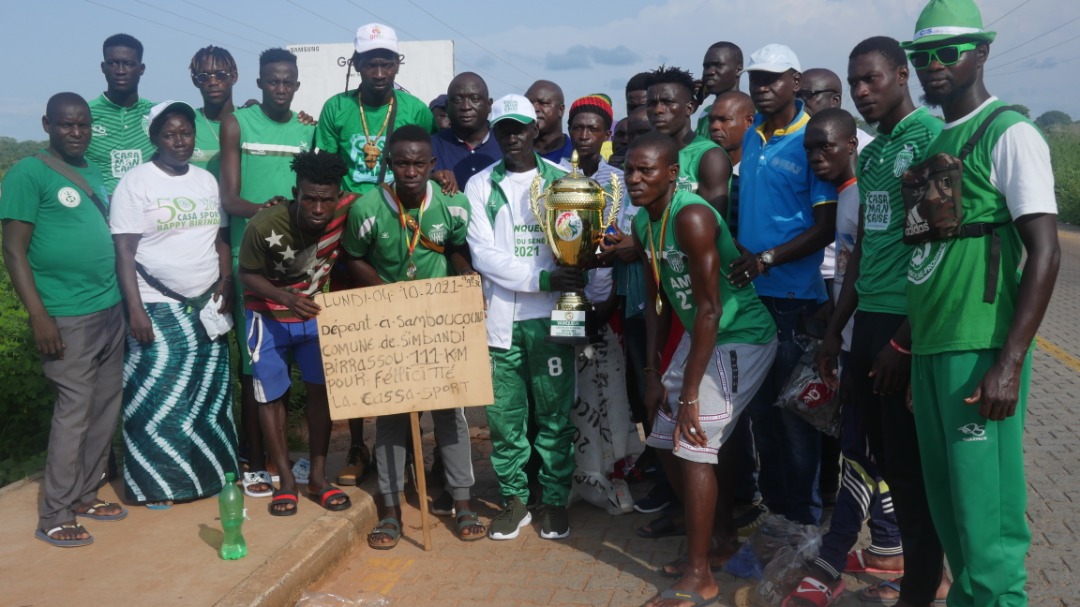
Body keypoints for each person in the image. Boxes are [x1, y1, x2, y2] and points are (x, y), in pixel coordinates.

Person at [903, 1, 1059, 604]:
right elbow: (927, 261)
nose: (933, 65)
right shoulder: (937, 139)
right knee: (953, 518)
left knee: (988, 524)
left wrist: (1011, 361)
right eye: (923, 55)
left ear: (982, 53)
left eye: (949, 52)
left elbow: (1045, 251)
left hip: (979, 348)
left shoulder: (1009, 132)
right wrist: (916, 350)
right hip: (933, 350)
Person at [798, 35, 952, 607]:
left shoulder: (928, 142)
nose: (862, 91)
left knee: (911, 467)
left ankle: (927, 585)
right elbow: (863, 243)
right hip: (868, 321)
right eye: (854, 81)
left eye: (873, 79)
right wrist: (839, 326)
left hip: (905, 325)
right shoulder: (876, 150)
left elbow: (938, 249)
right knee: (877, 456)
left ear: (901, 76)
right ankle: (913, 571)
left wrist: (904, 342)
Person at [629, 131, 777, 607]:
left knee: (693, 444)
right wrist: (655, 375)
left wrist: (690, 390)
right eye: (630, 169)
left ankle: (700, 578)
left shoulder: (691, 216)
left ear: (672, 174)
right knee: (663, 437)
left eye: (645, 170)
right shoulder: (641, 222)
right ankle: (719, 544)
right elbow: (660, 302)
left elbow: (711, 309)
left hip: (740, 335)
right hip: (701, 336)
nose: (634, 179)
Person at [780, 108, 900, 606]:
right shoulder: (850, 195)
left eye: (826, 147)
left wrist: (858, 337)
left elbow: (875, 270)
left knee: (858, 449)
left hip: (879, 339)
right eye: (809, 149)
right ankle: (890, 547)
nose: (816, 158)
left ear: (854, 143)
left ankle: (831, 560)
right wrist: (835, 334)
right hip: (853, 336)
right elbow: (852, 269)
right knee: (872, 448)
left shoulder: (872, 192)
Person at [341, 125, 482, 547]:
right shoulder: (367, 208)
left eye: (419, 162)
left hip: (437, 320)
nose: (410, 170)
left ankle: (462, 502)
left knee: (449, 416)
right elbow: (351, 257)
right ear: (388, 163)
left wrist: (465, 274)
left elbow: (457, 247)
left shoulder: (452, 205)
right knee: (392, 419)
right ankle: (389, 508)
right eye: (401, 162)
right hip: (389, 324)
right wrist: (386, 293)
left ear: (432, 164)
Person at [314, 24, 439, 484]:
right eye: (371, 62)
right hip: (352, 241)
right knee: (357, 351)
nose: (380, 70)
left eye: (387, 61)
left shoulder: (416, 110)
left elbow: (424, 165)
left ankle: (409, 450)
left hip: (403, 239)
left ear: (397, 64)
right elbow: (326, 172)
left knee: (410, 351)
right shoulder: (336, 108)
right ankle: (358, 448)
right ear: (357, 64)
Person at [1, 92, 127, 547]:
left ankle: (85, 494)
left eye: (83, 125)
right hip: (65, 314)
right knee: (73, 411)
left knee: (103, 406)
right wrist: (39, 316)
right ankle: (54, 513)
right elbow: (13, 249)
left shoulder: (92, 172)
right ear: (47, 125)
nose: (76, 132)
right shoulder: (28, 173)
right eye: (67, 125)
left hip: (109, 306)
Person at [728, 43, 837, 526]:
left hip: (793, 300)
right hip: (752, 299)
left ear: (796, 81)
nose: (763, 87)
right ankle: (777, 520)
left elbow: (826, 226)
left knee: (795, 419)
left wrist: (767, 259)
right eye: (756, 79)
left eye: (773, 79)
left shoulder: (810, 140)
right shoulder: (752, 136)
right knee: (761, 418)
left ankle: (807, 525)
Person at [109, 101, 237, 508]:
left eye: (186, 133)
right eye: (170, 134)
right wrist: (135, 309)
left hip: (206, 306)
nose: (180, 142)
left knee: (208, 397)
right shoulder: (137, 182)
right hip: (156, 307)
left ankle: (211, 478)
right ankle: (157, 486)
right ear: (154, 138)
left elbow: (219, 239)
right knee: (159, 397)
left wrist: (226, 280)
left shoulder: (204, 181)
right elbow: (125, 252)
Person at [464, 94, 580, 540]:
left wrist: (563, 281)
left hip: (554, 319)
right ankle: (514, 500)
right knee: (505, 419)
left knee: (554, 416)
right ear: (494, 134)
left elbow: (576, 245)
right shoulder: (480, 185)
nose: (512, 137)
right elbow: (483, 255)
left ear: (536, 129)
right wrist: (545, 280)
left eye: (520, 128)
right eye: (503, 129)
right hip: (501, 321)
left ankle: (553, 500)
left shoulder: (563, 181)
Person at [237, 150, 356, 516]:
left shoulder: (349, 209)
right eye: (309, 199)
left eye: (326, 200)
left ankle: (318, 479)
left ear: (337, 197)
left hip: (316, 315)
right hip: (267, 316)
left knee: (321, 393)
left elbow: (391, 195)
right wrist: (280, 295)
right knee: (271, 395)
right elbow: (246, 273)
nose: (318, 209)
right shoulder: (263, 225)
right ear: (295, 193)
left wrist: (442, 177)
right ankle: (286, 482)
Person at [219, 47, 315, 498]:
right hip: (253, 265)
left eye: (287, 81)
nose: (280, 88)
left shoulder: (306, 130)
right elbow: (231, 199)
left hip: (300, 268)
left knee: (301, 369)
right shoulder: (238, 123)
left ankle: (286, 462)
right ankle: (255, 462)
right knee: (255, 369)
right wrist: (268, 213)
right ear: (259, 83)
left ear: (297, 85)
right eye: (272, 81)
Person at [560, 94, 642, 514]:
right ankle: (575, 475)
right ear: (568, 131)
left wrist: (605, 306)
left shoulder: (620, 181)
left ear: (608, 135)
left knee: (611, 392)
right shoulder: (557, 178)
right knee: (570, 393)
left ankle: (614, 474)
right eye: (578, 128)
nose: (585, 135)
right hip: (566, 299)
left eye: (594, 129)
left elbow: (624, 245)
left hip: (608, 302)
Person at [645, 66, 731, 216]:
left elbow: (712, 224)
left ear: (689, 108)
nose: (658, 110)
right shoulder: (645, 155)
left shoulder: (709, 156)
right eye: (652, 103)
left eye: (668, 102)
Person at [87, 34, 155, 195]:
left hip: (148, 210)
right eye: (113, 63)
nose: (120, 71)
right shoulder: (85, 114)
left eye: (128, 64)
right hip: (101, 212)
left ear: (141, 69)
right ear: (103, 67)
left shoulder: (156, 113)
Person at [431, 72, 501, 190]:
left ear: (489, 105)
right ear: (447, 106)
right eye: (457, 100)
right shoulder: (430, 146)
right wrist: (431, 179)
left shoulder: (505, 143)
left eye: (474, 99)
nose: (466, 106)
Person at [706, 91, 755, 240]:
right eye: (711, 120)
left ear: (749, 122)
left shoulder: (758, 174)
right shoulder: (703, 170)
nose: (714, 126)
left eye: (724, 120)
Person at [188, 46, 238, 176]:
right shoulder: (187, 124)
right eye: (204, 77)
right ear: (195, 81)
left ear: (234, 77)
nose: (213, 82)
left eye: (220, 75)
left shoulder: (248, 121)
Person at [694, 42, 744, 138]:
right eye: (706, 66)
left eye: (718, 65)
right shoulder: (706, 113)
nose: (710, 72)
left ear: (738, 69)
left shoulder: (752, 111)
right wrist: (693, 104)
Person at [526, 80, 574, 164]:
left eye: (543, 103)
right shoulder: (512, 153)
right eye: (529, 103)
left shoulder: (578, 155)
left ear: (561, 110)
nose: (535, 108)